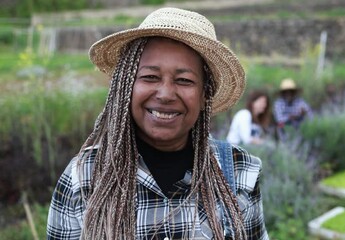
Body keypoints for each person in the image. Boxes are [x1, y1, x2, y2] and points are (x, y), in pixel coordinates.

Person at [47, 8, 268, 240]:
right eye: (150, 77)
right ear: (127, 88)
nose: (165, 94)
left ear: (205, 96)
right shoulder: (84, 178)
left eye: (184, 80)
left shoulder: (239, 170)